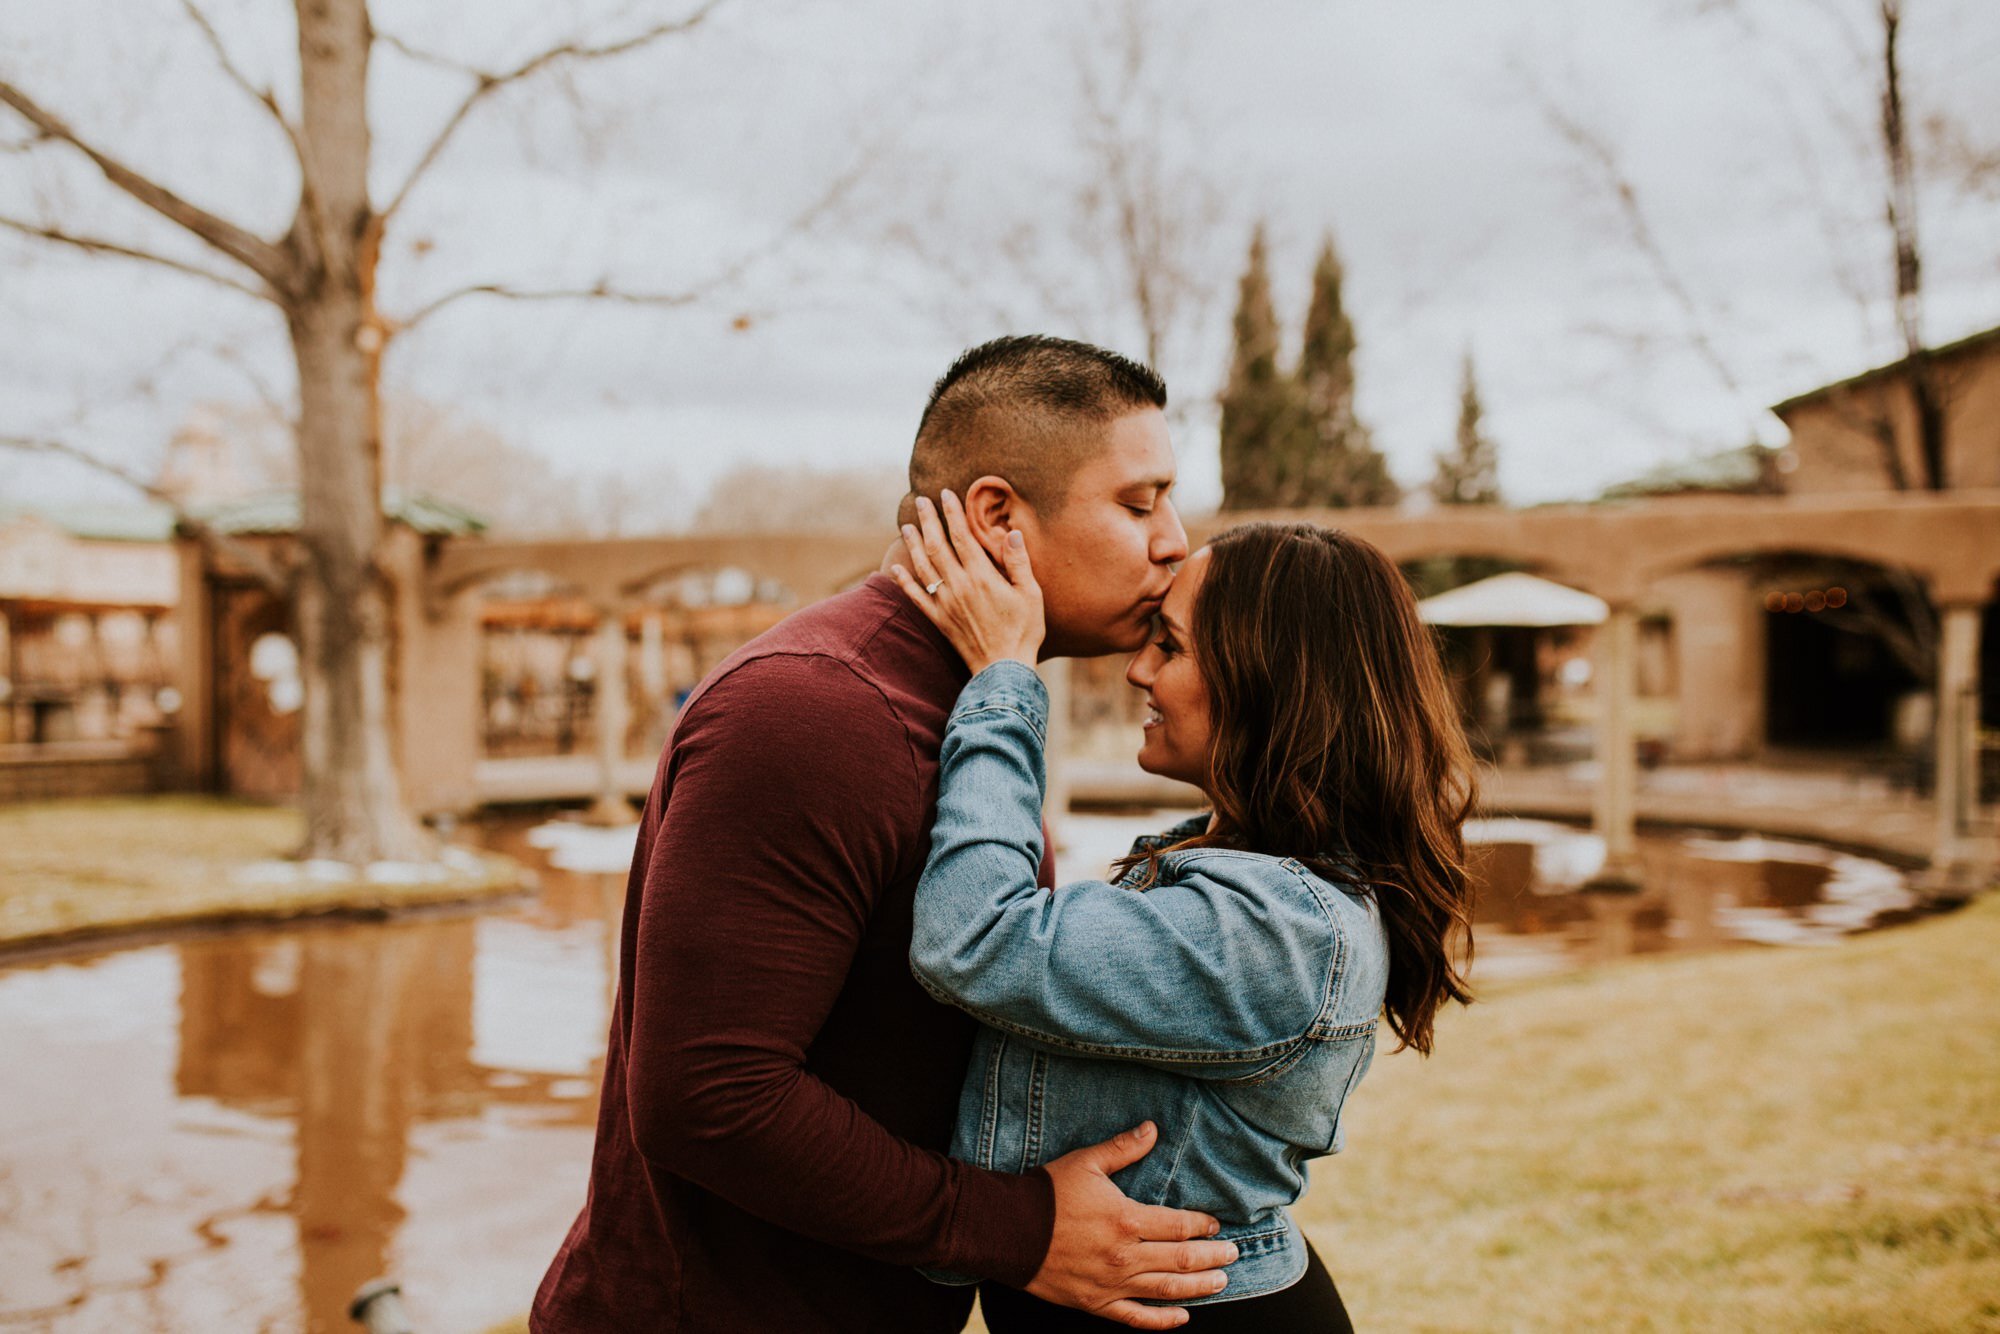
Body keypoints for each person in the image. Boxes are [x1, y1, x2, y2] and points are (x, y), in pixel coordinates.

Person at [531, 336, 1240, 1333]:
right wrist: (1021, 1229)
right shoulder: (811, 712)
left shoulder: (975, 702)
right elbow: (708, 1093)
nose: (1172, 539)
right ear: (997, 514)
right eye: (1138, 502)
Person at [890, 504, 1479, 1331]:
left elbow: (977, 938)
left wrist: (1004, 679)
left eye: (1170, 645)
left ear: (1269, 683)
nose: (1138, 669)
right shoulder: (1250, 881)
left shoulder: (1282, 929)